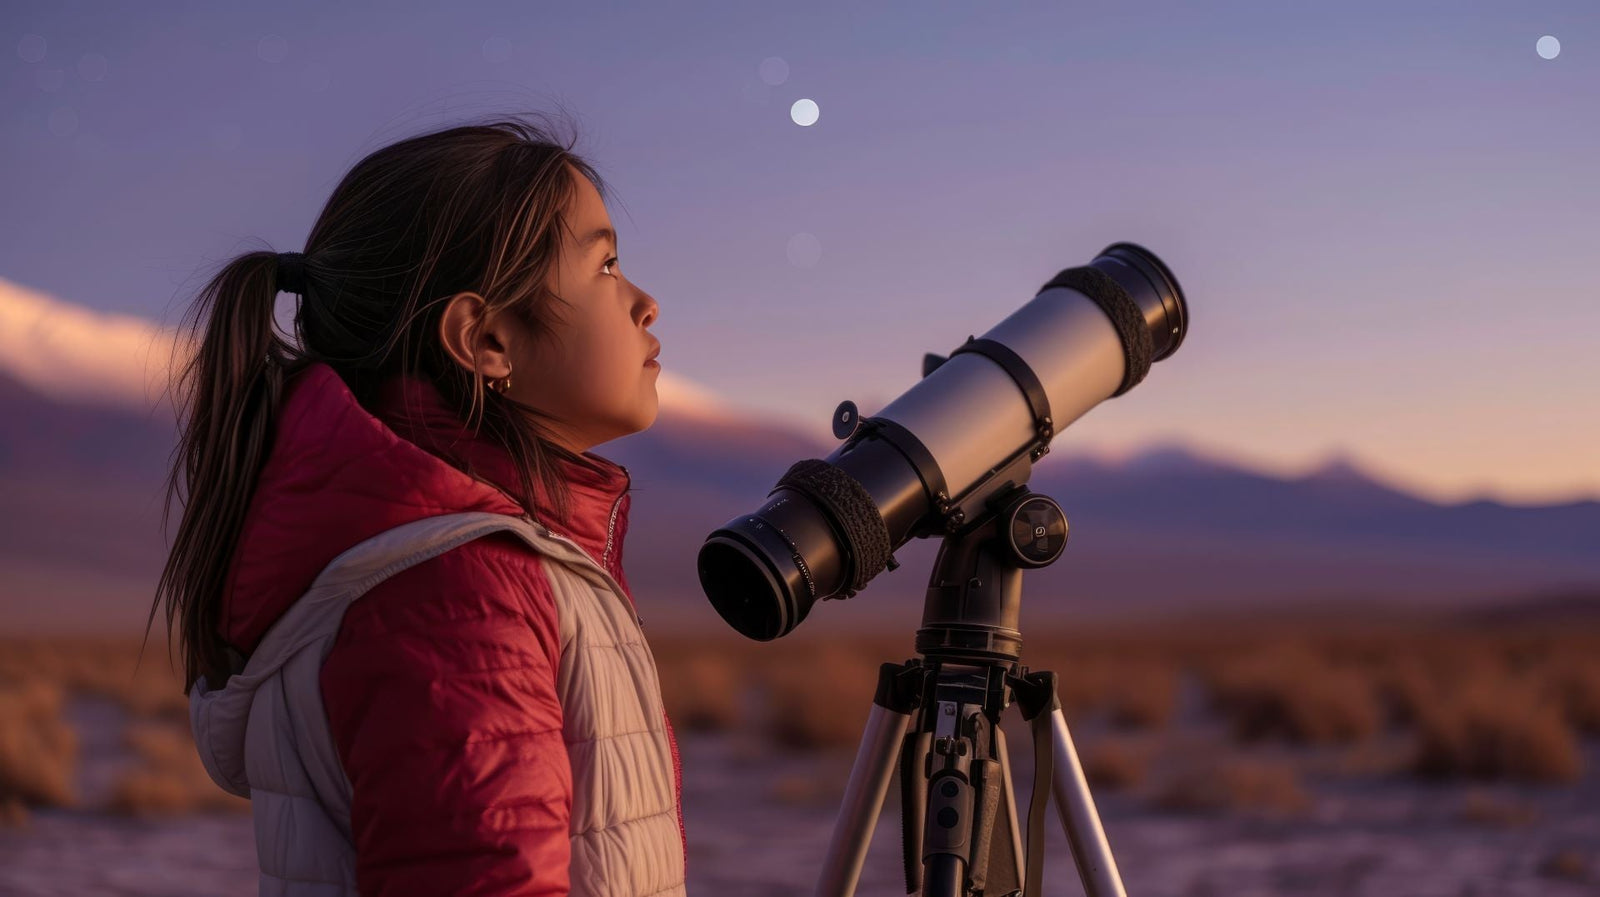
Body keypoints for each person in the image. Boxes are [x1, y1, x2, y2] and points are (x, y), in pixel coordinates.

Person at [148, 113, 684, 896]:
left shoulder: (471, 563)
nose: (647, 303)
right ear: (487, 339)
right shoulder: (456, 596)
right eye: (605, 267)